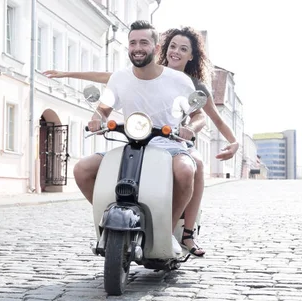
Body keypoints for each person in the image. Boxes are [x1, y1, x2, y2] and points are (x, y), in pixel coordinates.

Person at [43, 26, 239, 257]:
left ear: (155, 48)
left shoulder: (183, 81)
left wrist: (191, 129)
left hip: (171, 143)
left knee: (189, 169)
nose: (137, 48)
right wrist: (96, 118)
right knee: (82, 169)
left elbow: (202, 117)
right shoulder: (124, 76)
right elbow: (104, 104)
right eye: (133, 43)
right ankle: (112, 221)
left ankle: (174, 232)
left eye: (143, 43)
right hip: (135, 142)